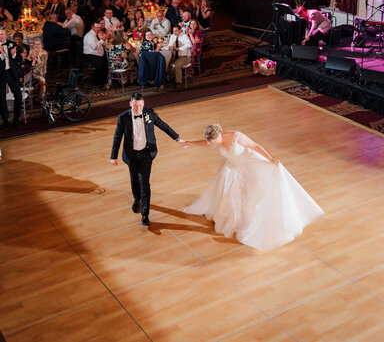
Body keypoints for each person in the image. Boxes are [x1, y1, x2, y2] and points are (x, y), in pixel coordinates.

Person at [180, 124, 324, 252]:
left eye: (215, 141)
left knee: (250, 195)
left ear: (219, 134)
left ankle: (252, 223)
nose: (215, 144)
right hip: (232, 169)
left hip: (247, 166)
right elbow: (204, 143)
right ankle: (236, 219)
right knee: (231, 196)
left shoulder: (236, 136)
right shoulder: (213, 140)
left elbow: (254, 145)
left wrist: (270, 158)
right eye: (212, 142)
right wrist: (188, 143)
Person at [110, 91, 184, 226]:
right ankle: (137, 199)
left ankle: (145, 214)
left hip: (146, 154)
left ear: (143, 104)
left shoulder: (149, 113)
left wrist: (177, 138)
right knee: (134, 180)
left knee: (144, 183)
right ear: (130, 104)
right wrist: (113, 156)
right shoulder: (123, 117)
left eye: (140, 106)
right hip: (131, 155)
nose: (137, 109)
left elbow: (163, 125)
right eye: (135, 106)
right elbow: (117, 136)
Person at [0, 28, 22, 129]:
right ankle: (5, 120)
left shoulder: (11, 44)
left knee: (18, 95)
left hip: (11, 73)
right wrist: (2, 55)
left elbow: (19, 59)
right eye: (0, 34)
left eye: (3, 34)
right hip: (1, 74)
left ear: (6, 34)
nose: (2, 36)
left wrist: (14, 55)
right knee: (1, 98)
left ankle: (16, 119)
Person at [83, 20, 108, 86]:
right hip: (90, 55)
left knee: (107, 60)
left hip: (97, 54)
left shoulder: (96, 34)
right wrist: (102, 40)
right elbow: (94, 47)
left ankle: (105, 79)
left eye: (99, 27)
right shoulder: (89, 36)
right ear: (92, 27)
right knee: (100, 64)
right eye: (96, 27)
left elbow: (103, 44)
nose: (98, 29)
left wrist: (104, 39)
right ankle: (97, 82)